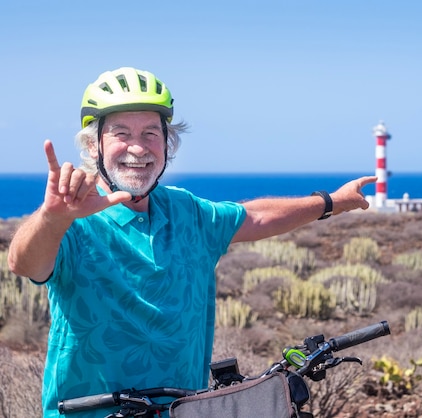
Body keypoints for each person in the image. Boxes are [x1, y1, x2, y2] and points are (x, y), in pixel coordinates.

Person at [7, 67, 376, 417]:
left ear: (168, 145)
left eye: (151, 133)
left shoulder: (187, 211)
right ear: (94, 146)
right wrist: (52, 218)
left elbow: (256, 216)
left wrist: (333, 202)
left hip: (182, 409)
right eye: (121, 133)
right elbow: (24, 264)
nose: (138, 148)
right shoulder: (74, 220)